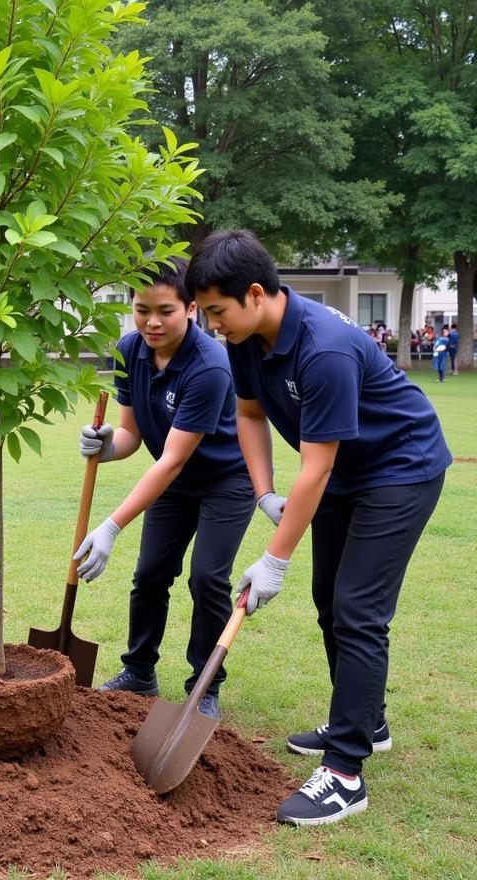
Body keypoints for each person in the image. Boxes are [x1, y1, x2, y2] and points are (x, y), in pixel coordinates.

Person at [186, 229, 451, 827]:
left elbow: (318, 464)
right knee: (328, 598)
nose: (211, 326)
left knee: (358, 608)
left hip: (399, 469)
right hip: (340, 474)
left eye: (216, 312)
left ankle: (345, 773)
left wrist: (273, 560)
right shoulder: (247, 340)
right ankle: (367, 719)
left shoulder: (323, 348)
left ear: (255, 294)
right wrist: (264, 494)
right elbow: (249, 414)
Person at [75, 260, 255, 718]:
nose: (152, 321)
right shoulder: (128, 350)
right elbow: (132, 436)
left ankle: (205, 687)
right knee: (151, 572)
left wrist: (112, 525)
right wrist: (106, 445)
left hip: (225, 481)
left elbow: (174, 458)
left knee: (208, 578)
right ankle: (139, 672)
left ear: (192, 309)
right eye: (141, 309)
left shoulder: (210, 366)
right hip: (172, 484)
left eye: (165, 310)